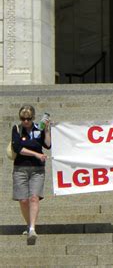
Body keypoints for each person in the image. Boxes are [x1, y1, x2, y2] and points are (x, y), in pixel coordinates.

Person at [11, 105, 51, 245]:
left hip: (37, 169)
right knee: (23, 200)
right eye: (23, 118)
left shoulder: (38, 129)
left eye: (28, 119)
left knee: (34, 198)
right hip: (20, 168)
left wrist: (46, 129)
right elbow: (18, 147)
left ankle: (32, 228)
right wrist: (35, 152)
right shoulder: (17, 128)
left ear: (33, 118)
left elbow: (47, 145)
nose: (25, 121)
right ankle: (28, 224)